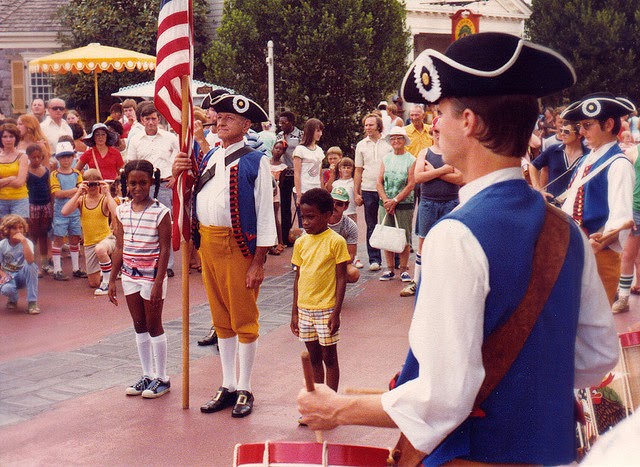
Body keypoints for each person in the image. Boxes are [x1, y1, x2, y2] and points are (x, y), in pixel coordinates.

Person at [297, 32, 619, 466]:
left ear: (468, 122)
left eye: (439, 112)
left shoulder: (457, 236)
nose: (433, 124)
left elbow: (442, 398)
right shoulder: (568, 231)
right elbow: (597, 358)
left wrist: (337, 409)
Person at [172, 93, 277, 418]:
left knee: (244, 319)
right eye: (219, 117)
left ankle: (245, 387)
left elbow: (263, 213)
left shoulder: (254, 160)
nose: (220, 121)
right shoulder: (211, 156)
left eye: (229, 118)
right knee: (221, 320)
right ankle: (228, 384)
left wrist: (258, 261)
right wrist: (179, 171)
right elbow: (192, 192)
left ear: (246, 125)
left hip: (239, 248)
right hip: (209, 246)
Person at [560, 93, 636, 305]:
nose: (581, 132)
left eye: (587, 125)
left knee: (595, 327)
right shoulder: (587, 159)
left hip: (599, 255)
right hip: (578, 249)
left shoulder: (618, 164)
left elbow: (621, 219)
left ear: (609, 124)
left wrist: (600, 243)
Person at [108, 160, 171, 398]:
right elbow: (120, 246)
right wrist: (112, 279)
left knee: (154, 325)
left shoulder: (160, 212)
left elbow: (165, 250)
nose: (137, 188)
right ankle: (147, 375)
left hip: (152, 277)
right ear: (126, 184)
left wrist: (158, 282)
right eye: (132, 183)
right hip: (130, 276)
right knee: (139, 325)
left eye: (143, 183)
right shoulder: (122, 210)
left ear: (151, 183)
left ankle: (162, 378)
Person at [291, 188, 349, 391]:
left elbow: (342, 278)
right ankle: (317, 402)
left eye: (311, 217)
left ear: (327, 215)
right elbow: (298, 277)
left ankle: (331, 402)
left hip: (326, 309)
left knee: (329, 358)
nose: (305, 222)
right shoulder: (300, 243)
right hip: (305, 309)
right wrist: (295, 313)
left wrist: (336, 312)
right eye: (303, 217)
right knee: (313, 358)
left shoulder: (336, 241)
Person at [401, 117, 463, 297]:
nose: (438, 135)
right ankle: (417, 281)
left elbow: (459, 178)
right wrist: (444, 170)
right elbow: (418, 177)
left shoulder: (454, 152)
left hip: (451, 202)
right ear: (432, 132)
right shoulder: (424, 152)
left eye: (442, 132)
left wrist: (432, 172)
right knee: (423, 242)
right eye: (436, 131)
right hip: (428, 202)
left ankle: (449, 282)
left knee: (450, 243)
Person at [127, 104, 180, 277]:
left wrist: (175, 177)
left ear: (158, 119)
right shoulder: (135, 140)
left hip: (165, 185)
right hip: (143, 187)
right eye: (147, 119)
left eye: (154, 118)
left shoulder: (170, 138)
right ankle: (146, 260)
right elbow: (130, 163)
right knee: (145, 224)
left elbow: (180, 158)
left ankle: (168, 264)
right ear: (141, 120)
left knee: (165, 225)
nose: (151, 122)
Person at [61, 169, 117, 295]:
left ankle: (107, 283)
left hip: (106, 240)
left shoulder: (104, 200)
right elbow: (64, 211)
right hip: (89, 244)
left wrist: (107, 193)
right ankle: (106, 268)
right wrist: (78, 192)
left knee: (100, 249)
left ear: (100, 184)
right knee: (93, 283)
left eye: (95, 184)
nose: (92, 187)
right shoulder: (82, 200)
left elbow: (116, 212)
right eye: (89, 184)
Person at [376, 126, 416, 283]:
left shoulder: (411, 159)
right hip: (385, 204)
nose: (396, 141)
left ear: (404, 140)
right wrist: (386, 200)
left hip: (404, 203)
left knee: (404, 236)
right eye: (393, 138)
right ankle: (389, 269)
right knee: (387, 234)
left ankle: (404, 270)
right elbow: (379, 182)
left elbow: (411, 183)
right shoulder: (386, 159)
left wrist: (396, 200)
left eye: (399, 138)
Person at [354, 113, 393, 271]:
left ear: (378, 126)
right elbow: (358, 170)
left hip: (387, 189)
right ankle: (374, 259)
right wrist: (356, 193)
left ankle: (394, 259)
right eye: (365, 125)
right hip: (368, 189)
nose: (367, 128)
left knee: (390, 224)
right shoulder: (361, 145)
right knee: (371, 224)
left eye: (370, 125)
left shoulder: (389, 143)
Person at [50, 141, 85, 281]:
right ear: (58, 159)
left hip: (75, 211)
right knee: (58, 238)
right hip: (60, 212)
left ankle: (76, 268)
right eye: (62, 157)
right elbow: (57, 193)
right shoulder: (55, 174)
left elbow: (82, 191)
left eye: (68, 156)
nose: (65, 160)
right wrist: (76, 191)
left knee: (75, 238)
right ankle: (57, 269)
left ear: (73, 157)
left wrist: (72, 193)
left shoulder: (77, 173)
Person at [530, 121, 587, 200]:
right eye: (561, 130)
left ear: (579, 135)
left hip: (576, 206)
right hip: (553, 205)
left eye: (566, 132)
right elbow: (533, 166)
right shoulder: (552, 150)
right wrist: (538, 189)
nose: (562, 134)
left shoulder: (588, 156)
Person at [0, 214, 40, 314]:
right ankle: (13, 299)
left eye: (20, 227)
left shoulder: (27, 242)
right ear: (7, 230)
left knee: (31, 267)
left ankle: (32, 303)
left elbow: (30, 261)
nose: (18, 231)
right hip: (8, 276)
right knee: (7, 289)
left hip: (23, 275)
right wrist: (3, 275)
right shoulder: (2, 244)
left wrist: (23, 241)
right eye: (14, 228)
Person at [25, 144, 52, 277]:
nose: (36, 160)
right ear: (28, 158)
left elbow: (49, 187)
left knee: (44, 234)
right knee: (32, 235)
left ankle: (45, 263)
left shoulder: (46, 170)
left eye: (38, 157)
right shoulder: (26, 171)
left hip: (45, 204)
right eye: (33, 157)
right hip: (32, 205)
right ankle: (32, 264)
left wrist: (51, 205)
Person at [276, 111, 303, 246]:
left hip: (297, 173)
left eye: (284, 122)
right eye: (280, 122)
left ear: (291, 122)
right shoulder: (279, 135)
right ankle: (286, 238)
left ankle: (304, 234)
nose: (281, 125)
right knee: (285, 206)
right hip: (284, 174)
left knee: (299, 205)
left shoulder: (300, 135)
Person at [327, 187, 360, 283]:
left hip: (339, 261)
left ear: (346, 206)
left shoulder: (350, 226)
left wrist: (330, 265)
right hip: (318, 258)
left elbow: (351, 255)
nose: (334, 206)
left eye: (339, 204)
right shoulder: (320, 219)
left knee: (353, 273)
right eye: (332, 202)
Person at [293, 118, 325, 211]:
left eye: (321, 131)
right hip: (304, 191)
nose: (320, 134)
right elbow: (297, 173)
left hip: (317, 191)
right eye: (318, 131)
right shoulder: (300, 149)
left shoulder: (319, 150)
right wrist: (299, 195)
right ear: (310, 131)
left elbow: (320, 175)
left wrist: (323, 192)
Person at [0, 123, 29, 218]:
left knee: (18, 231)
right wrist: (10, 179)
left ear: (16, 138)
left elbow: (20, 182)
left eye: (11, 136)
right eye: (5, 136)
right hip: (1, 200)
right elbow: (15, 181)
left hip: (19, 200)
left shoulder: (22, 156)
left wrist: (2, 182)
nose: (8, 139)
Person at [269, 139, 288, 255]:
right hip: (266, 191)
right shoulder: (265, 162)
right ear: (272, 149)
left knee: (275, 216)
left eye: (281, 149)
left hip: (275, 193)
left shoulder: (283, 167)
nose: (278, 151)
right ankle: (270, 242)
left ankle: (280, 241)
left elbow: (281, 182)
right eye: (276, 148)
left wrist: (275, 189)